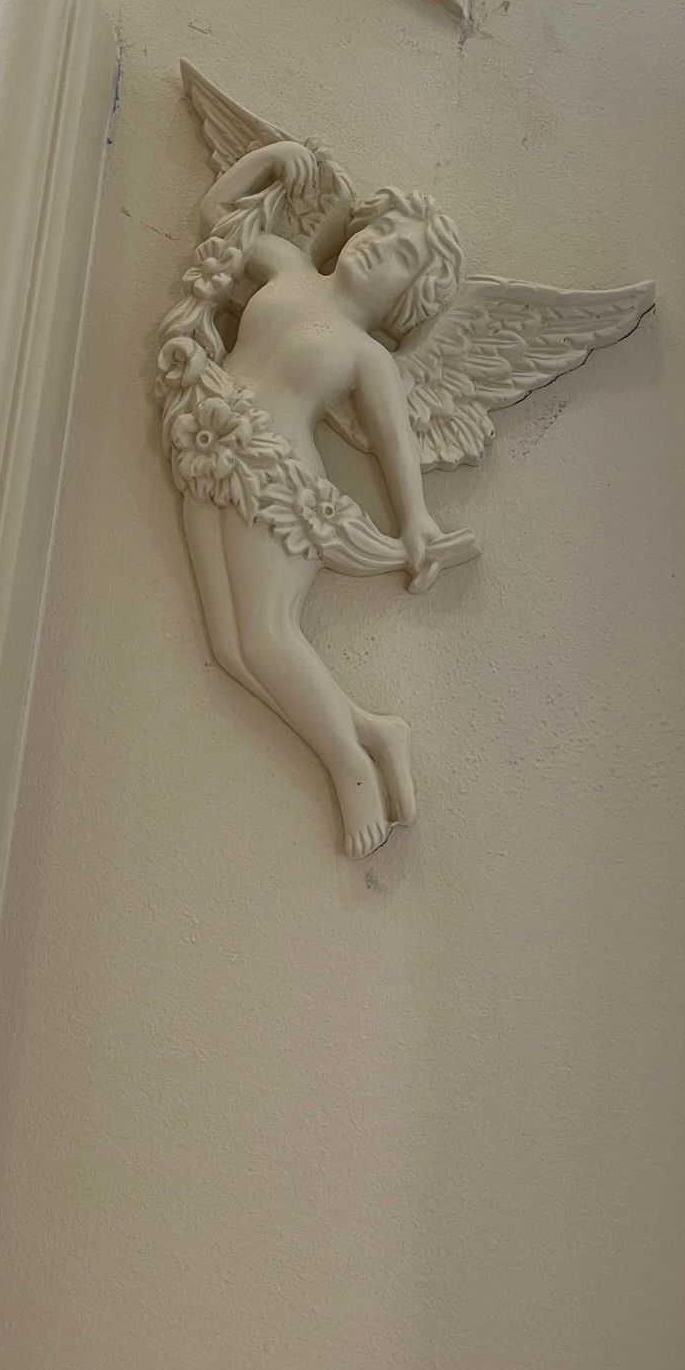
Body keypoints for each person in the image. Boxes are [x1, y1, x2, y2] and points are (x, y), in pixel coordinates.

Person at [173, 139, 465, 855]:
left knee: (269, 636)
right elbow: (215, 214)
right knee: (232, 650)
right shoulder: (287, 266)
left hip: (277, 484)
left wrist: (418, 519)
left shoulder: (369, 357)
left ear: (407, 296)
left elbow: (396, 445)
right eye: (382, 231)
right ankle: (371, 730)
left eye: (401, 255)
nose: (379, 249)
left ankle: (351, 769)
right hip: (209, 444)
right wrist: (272, 158)